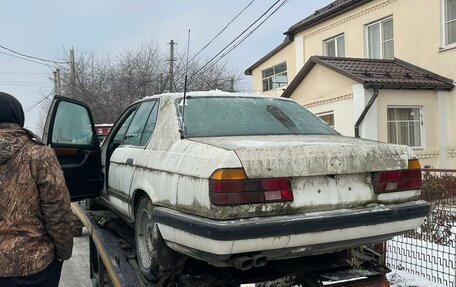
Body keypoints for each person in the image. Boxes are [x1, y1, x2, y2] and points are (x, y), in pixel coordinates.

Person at [0, 92, 73, 287]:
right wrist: (63, 251)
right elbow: (57, 209)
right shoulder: (39, 154)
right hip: (34, 265)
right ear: (18, 117)